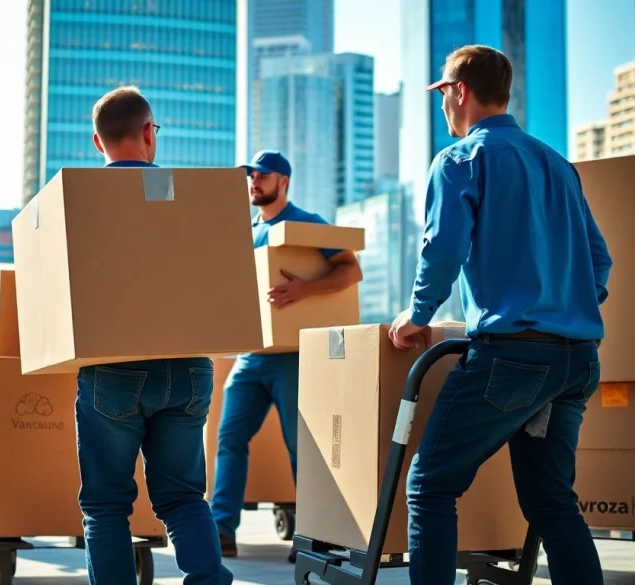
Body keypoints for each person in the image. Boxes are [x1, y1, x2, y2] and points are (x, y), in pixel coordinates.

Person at [388, 45, 611, 585]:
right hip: (577, 360)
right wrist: (565, 305)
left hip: (512, 357)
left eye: (443, 92)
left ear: (460, 90)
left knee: (430, 485)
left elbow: (443, 250)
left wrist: (418, 313)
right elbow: (599, 260)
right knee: (552, 501)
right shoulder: (557, 164)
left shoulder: (461, 160)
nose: (443, 103)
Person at [74, 85, 233, 584]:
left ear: (97, 142)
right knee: (184, 497)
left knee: (105, 506)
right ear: (149, 132)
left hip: (112, 370)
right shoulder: (194, 199)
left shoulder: (77, 201)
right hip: (188, 367)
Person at [211, 150, 363, 559]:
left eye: (262, 175)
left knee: (301, 446)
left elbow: (352, 269)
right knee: (229, 437)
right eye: (250, 176)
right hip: (252, 354)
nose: (254, 182)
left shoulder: (305, 224)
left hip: (294, 356)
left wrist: (305, 289)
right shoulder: (247, 232)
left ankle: (314, 535)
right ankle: (221, 529)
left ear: (284, 181)